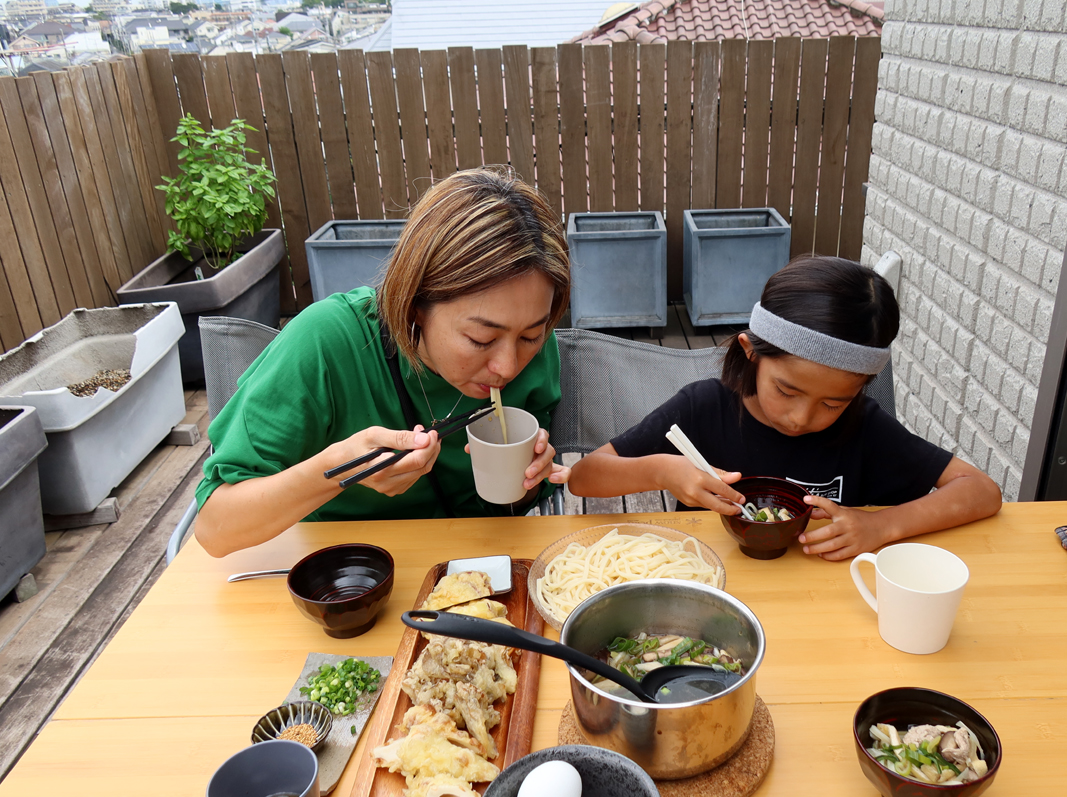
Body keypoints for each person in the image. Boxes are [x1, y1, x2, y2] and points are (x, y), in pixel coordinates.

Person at [195, 167, 572, 558]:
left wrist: (532, 475)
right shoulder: (327, 343)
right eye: (481, 339)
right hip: (348, 576)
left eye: (531, 335)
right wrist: (338, 470)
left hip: (477, 571)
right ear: (416, 304)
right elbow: (215, 527)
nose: (509, 366)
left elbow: (510, 512)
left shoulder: (538, 351)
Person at [568, 256, 1002, 561]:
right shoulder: (705, 407)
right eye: (787, 390)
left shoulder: (863, 427)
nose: (801, 418)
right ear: (751, 351)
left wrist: (882, 526)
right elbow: (585, 478)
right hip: (711, 591)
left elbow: (981, 491)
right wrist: (663, 471)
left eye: (833, 402)